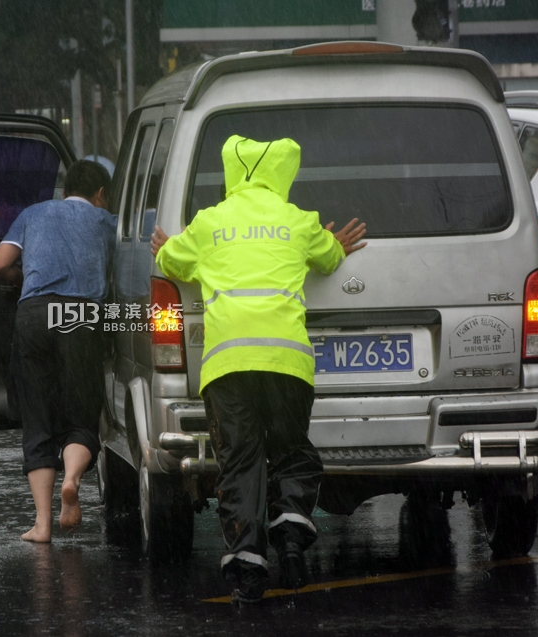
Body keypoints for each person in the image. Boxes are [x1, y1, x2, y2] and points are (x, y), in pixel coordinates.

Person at [150, 135, 367, 603]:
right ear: (283, 174)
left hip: (227, 367)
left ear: (232, 172)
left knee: (241, 463)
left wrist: (165, 249)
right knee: (291, 450)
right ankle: (290, 533)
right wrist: (336, 244)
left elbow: (172, 263)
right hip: (287, 362)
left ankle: (249, 568)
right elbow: (330, 257)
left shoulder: (209, 223)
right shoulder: (298, 220)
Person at [0, 160, 116, 543]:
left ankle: (42, 525)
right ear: (100, 194)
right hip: (80, 315)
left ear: (64, 191)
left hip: (33, 314)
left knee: (38, 420)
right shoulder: (105, 221)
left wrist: (22, 278)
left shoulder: (33, 213)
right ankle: (72, 479)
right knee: (82, 416)